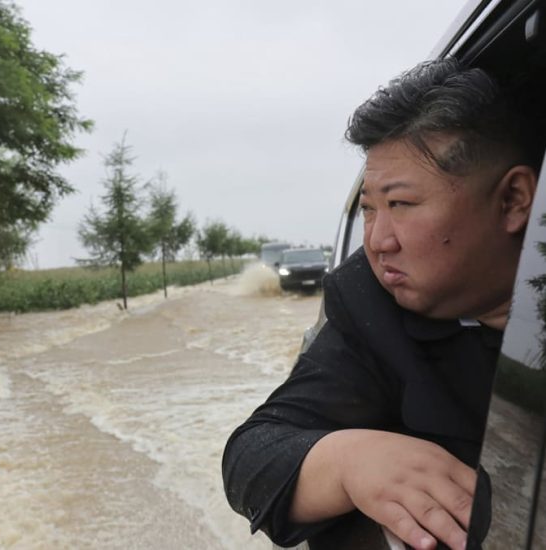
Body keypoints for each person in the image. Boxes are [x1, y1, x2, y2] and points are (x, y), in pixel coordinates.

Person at [222, 57, 543, 550]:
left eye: (401, 205)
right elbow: (252, 457)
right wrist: (347, 460)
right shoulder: (369, 306)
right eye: (369, 209)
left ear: (515, 200)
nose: (377, 241)